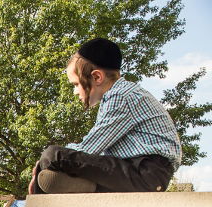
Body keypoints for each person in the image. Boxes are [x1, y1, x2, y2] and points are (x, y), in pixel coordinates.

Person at [29, 37, 182, 194]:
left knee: (53, 154)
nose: (75, 92)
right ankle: (88, 187)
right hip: (138, 173)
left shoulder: (121, 96)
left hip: (145, 172)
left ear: (97, 77)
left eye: (76, 84)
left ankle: (37, 203)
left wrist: (44, 162)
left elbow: (88, 149)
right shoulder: (123, 94)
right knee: (54, 168)